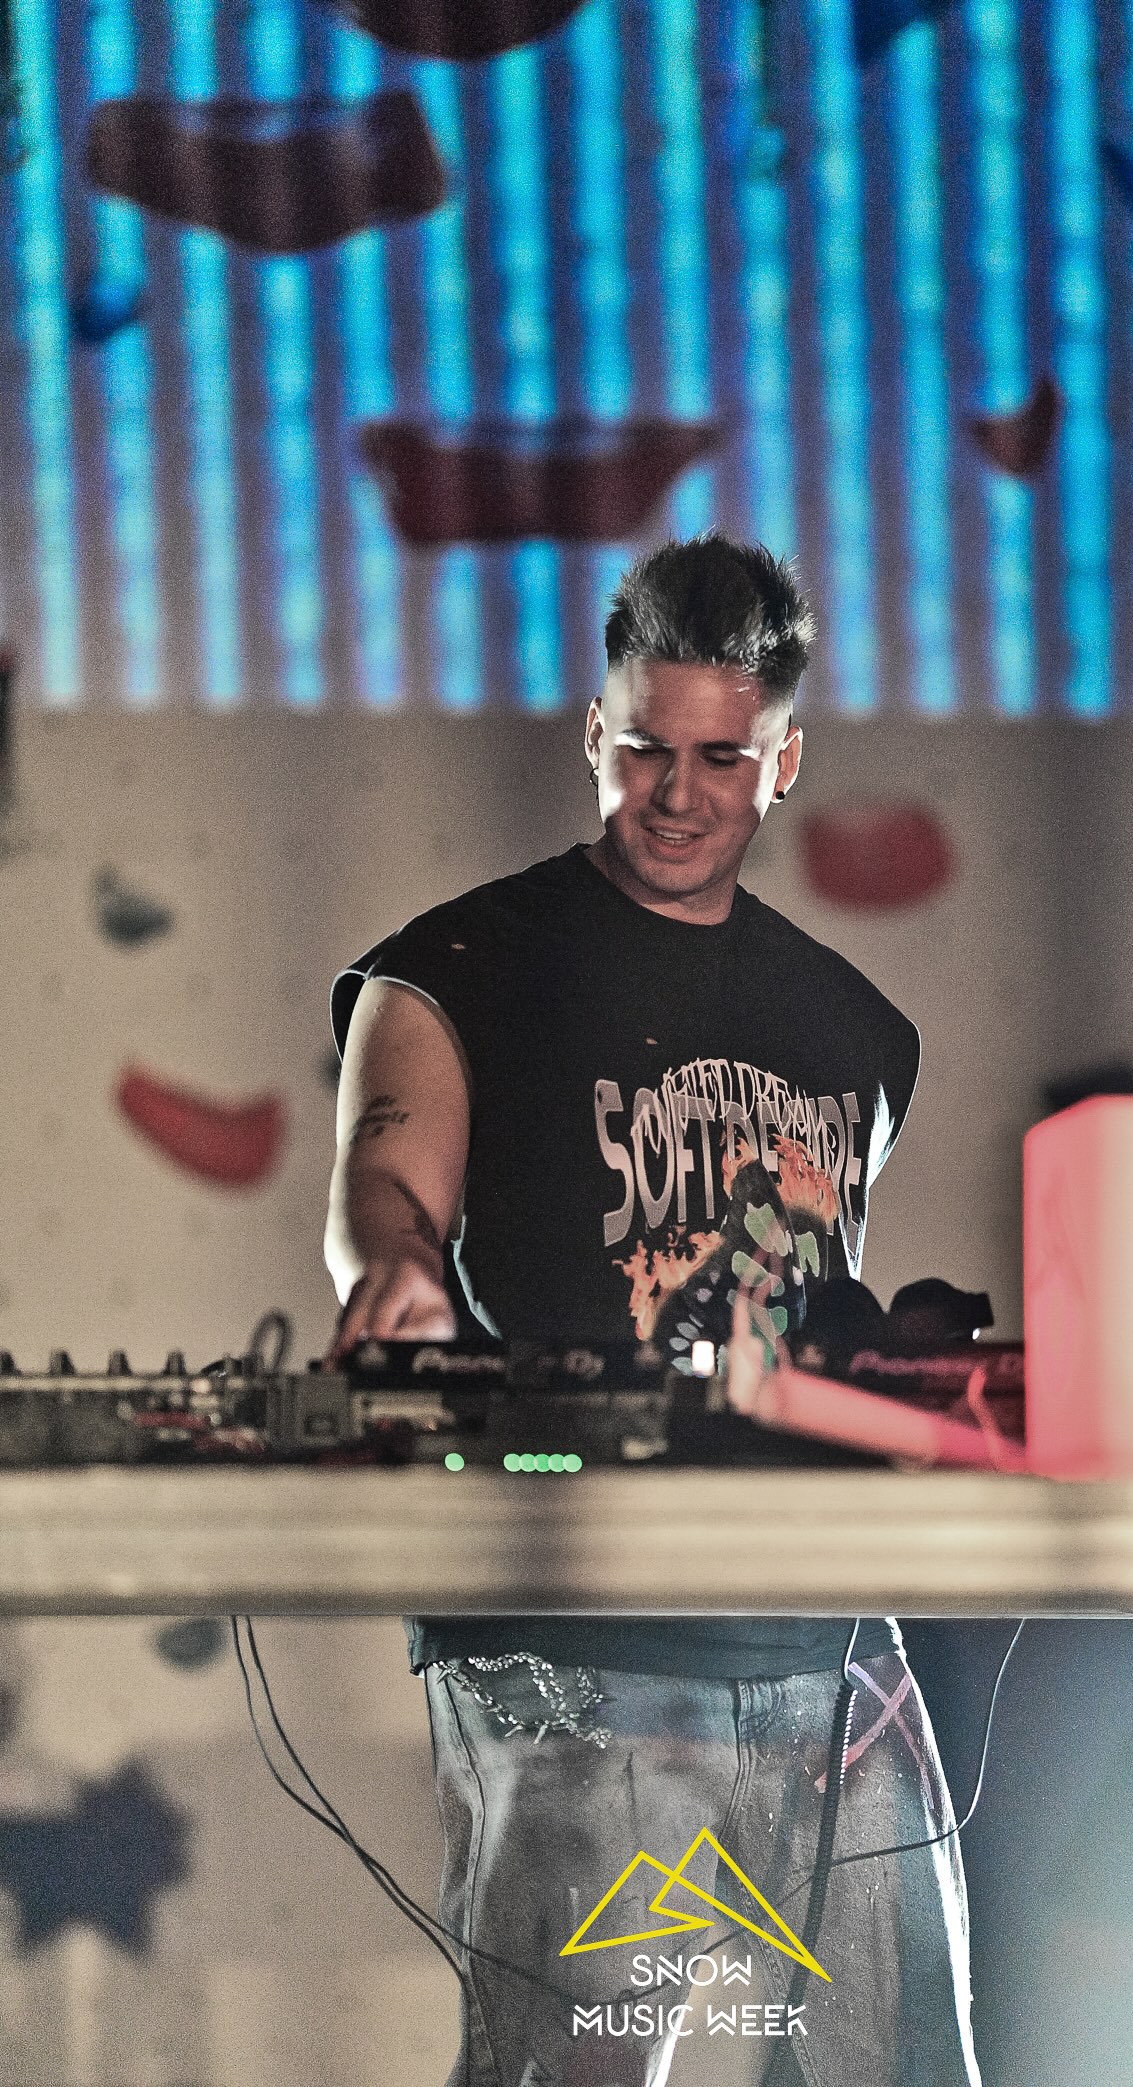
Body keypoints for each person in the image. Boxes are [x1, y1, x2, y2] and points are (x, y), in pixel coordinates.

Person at [325, 535, 981, 2087]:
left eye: (719, 758)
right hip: (571, 1616)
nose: (676, 794)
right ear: (593, 736)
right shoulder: (456, 968)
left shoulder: (858, 1030)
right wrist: (394, 1272)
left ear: (783, 762)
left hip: (827, 1627)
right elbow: (383, 1189)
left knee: (902, 2067)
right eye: (643, 749)